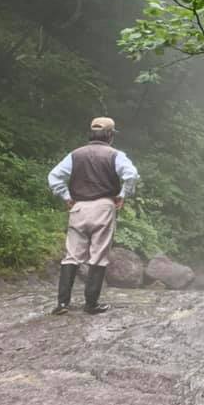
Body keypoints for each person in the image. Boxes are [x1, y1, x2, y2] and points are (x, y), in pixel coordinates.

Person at [48, 117, 139, 315]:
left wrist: (66, 196)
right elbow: (131, 175)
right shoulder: (116, 155)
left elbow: (54, 176)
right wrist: (123, 194)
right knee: (98, 255)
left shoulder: (75, 154)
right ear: (110, 136)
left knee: (71, 255)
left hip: (78, 207)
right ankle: (91, 304)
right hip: (104, 207)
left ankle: (62, 304)